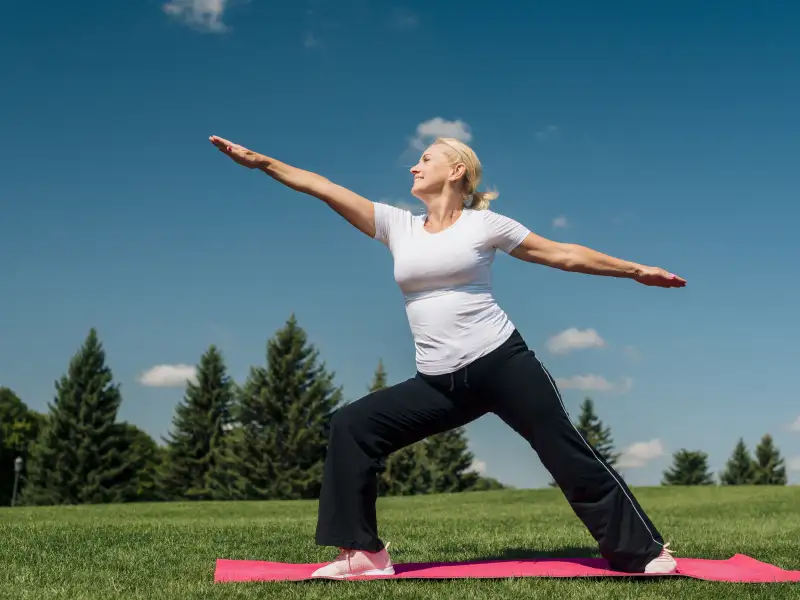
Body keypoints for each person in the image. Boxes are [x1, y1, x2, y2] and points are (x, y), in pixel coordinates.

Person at [209, 133, 686, 580]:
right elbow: (322, 186)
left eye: (426, 158)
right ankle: (364, 555)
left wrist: (634, 270)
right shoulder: (398, 226)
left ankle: (641, 552)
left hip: (502, 364)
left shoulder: (485, 225)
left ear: (456, 170)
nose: (414, 166)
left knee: (564, 450)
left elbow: (561, 254)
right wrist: (261, 162)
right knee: (352, 426)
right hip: (439, 382)